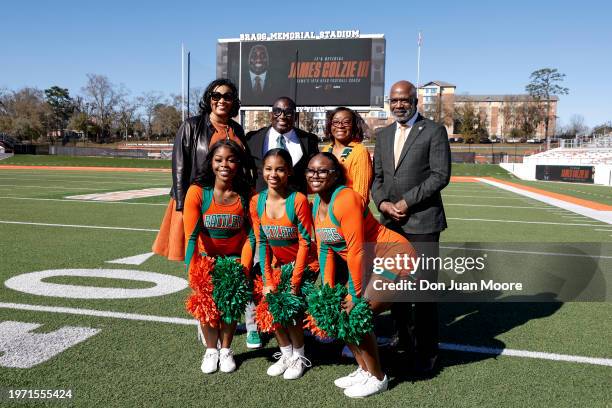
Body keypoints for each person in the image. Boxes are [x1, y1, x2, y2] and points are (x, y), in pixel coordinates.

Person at [152, 78, 261, 349]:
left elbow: (245, 166)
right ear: (208, 98)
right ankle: (205, 321)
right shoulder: (192, 126)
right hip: (197, 203)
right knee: (200, 267)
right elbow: (179, 166)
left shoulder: (236, 128)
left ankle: (235, 326)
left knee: (235, 265)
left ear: (234, 101)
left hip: (231, 204)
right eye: (216, 95)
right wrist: (181, 205)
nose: (221, 100)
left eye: (227, 96)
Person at [306, 152, 417, 398]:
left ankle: (378, 378)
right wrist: (327, 291)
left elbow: (355, 250)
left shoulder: (346, 199)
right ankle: (365, 369)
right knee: (338, 309)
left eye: (322, 171)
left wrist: (354, 294)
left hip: (395, 255)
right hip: (372, 263)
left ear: (336, 175)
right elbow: (325, 248)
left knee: (358, 310)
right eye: (311, 170)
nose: (315, 175)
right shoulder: (317, 204)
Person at [371, 80, 451, 374]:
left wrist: (405, 202)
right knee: (396, 287)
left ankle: (428, 351)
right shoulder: (383, 135)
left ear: (416, 101)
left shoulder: (433, 131)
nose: (399, 105)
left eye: (404, 100)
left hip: (422, 222)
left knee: (423, 291)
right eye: (394, 100)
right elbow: (376, 179)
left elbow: (440, 175)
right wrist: (382, 204)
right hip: (390, 224)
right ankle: (400, 339)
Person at [183, 139, 255, 374]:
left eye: (231, 159)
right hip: (206, 259)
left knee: (231, 307)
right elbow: (191, 237)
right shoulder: (197, 192)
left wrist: (243, 267)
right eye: (219, 159)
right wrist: (194, 271)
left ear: (239, 164)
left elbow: (250, 236)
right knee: (207, 305)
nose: (225, 164)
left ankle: (226, 350)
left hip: (234, 259)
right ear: (211, 163)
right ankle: (211, 350)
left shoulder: (246, 193)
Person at [249, 148, 319, 380]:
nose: (273, 174)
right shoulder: (256, 202)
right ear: (262, 171)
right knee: (272, 304)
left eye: (280, 169)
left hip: (304, 264)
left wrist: (295, 280)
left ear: (288, 172)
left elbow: (305, 242)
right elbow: (262, 242)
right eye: (269, 169)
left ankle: (299, 356)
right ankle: (286, 354)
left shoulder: (297, 199)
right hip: (277, 265)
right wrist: (268, 279)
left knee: (291, 311)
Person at [246, 96, 319, 194]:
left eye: (288, 112)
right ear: (271, 115)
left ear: (295, 117)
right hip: (262, 203)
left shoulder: (309, 141)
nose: (282, 116)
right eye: (277, 111)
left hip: (295, 204)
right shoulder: (253, 139)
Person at [321, 107, 373, 204]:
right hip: (325, 210)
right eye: (335, 122)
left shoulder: (360, 151)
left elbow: (361, 197)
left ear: (354, 126)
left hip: (348, 211)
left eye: (346, 122)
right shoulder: (326, 149)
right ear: (330, 125)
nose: (340, 126)